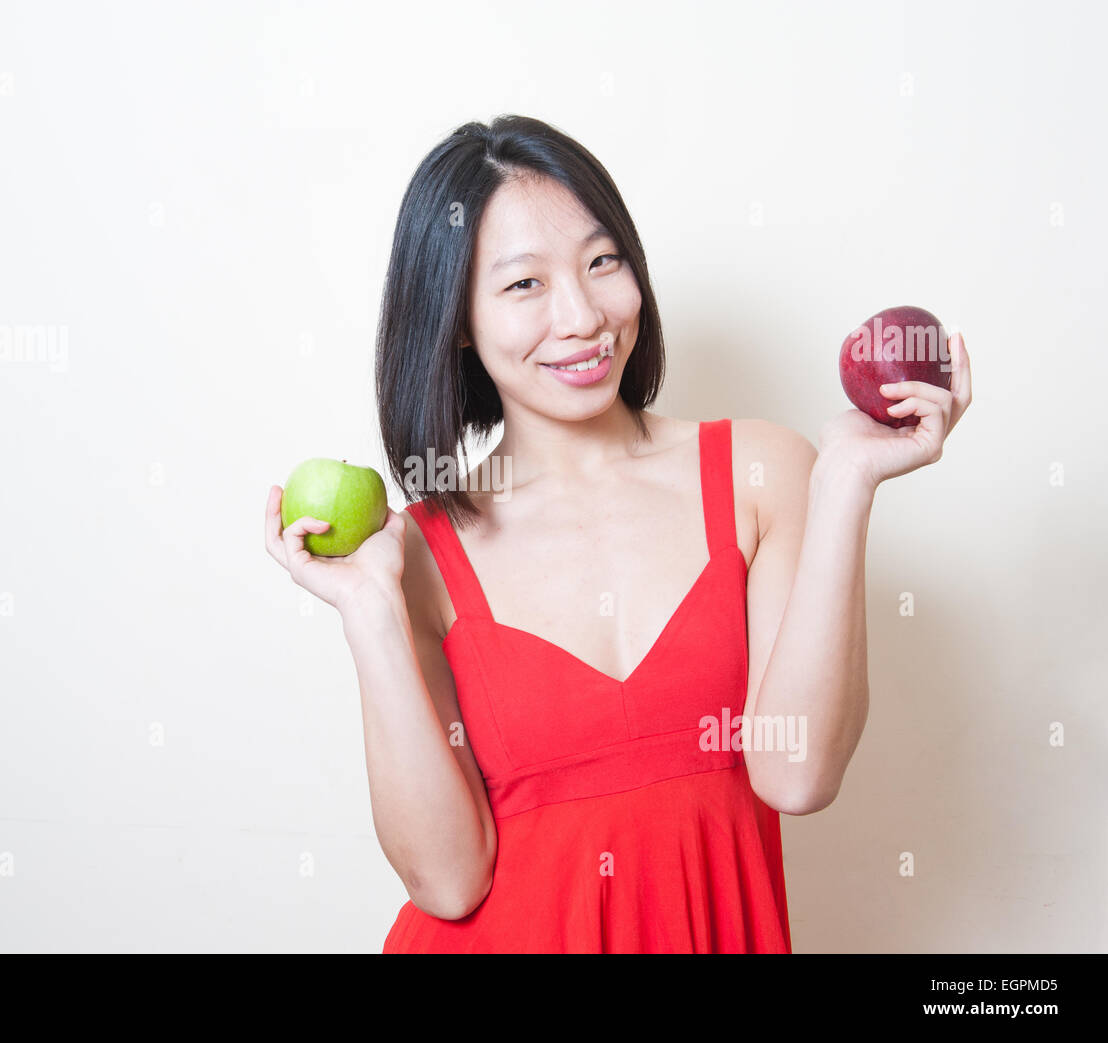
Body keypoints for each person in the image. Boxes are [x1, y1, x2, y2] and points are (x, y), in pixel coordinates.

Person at [264, 115, 972, 953]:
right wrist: (368, 610)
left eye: (603, 262)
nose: (583, 316)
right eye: (524, 284)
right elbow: (447, 881)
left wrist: (849, 484)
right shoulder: (416, 549)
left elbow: (798, 772)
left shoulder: (763, 474)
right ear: (456, 320)